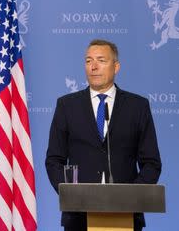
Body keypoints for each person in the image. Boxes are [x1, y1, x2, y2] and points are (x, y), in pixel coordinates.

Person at [45, 39, 162, 231]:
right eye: (88, 61)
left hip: (126, 216)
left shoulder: (137, 107)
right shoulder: (67, 106)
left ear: (116, 67)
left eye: (101, 60)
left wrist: (130, 196)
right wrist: (71, 194)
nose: (94, 67)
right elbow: (54, 160)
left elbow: (151, 163)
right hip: (78, 217)